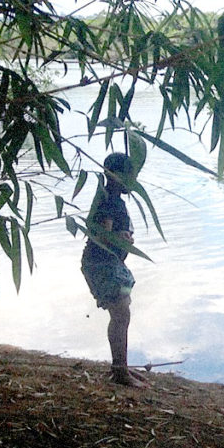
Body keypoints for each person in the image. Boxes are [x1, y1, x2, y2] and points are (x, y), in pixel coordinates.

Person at [81, 153, 147, 387]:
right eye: (131, 175)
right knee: (121, 315)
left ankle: (121, 367)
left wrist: (121, 238)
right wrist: (120, 238)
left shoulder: (109, 197)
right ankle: (120, 371)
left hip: (106, 263)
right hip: (102, 263)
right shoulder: (110, 202)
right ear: (116, 176)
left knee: (121, 313)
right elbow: (102, 236)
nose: (134, 180)